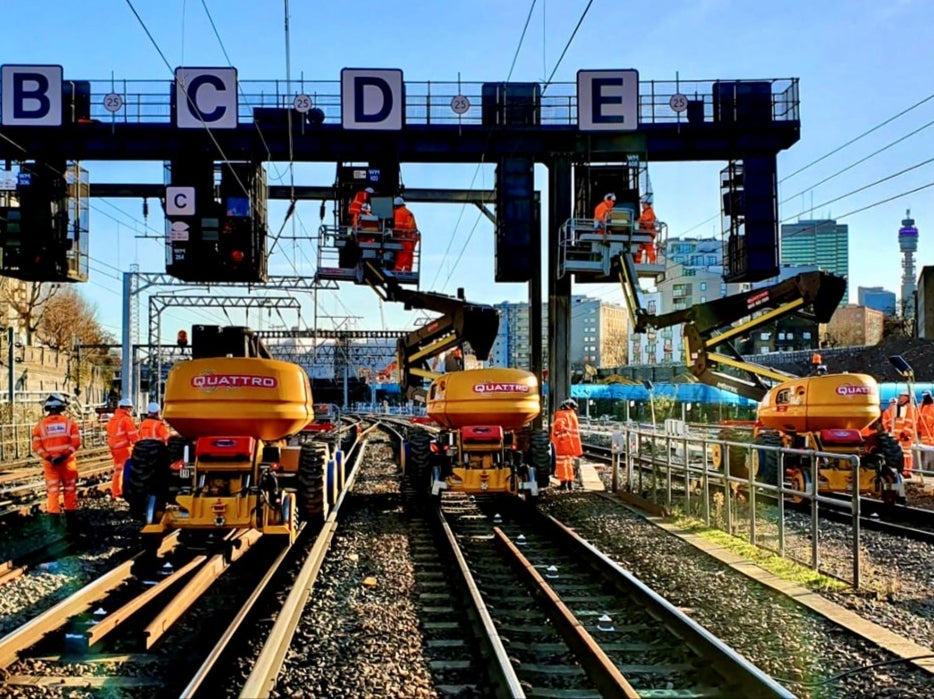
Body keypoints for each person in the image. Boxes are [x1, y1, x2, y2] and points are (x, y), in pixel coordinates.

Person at [31, 393, 82, 530]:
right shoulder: (70, 424)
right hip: (67, 464)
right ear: (62, 407)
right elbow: (76, 443)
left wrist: (49, 458)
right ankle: (71, 522)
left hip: (51, 465)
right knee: (69, 491)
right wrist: (63, 456)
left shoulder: (40, 426)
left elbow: (36, 447)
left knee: (52, 492)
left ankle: (54, 525)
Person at [106, 398, 140, 498]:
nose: (130, 410)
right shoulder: (126, 419)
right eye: (130, 408)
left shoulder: (113, 419)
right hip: (124, 448)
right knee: (128, 471)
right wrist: (140, 445)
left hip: (114, 448)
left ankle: (116, 492)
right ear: (126, 408)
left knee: (118, 471)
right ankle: (125, 491)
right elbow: (133, 436)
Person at [551, 398, 583, 490]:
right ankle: (570, 482)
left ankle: (563, 483)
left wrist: (557, 435)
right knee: (569, 464)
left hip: (562, 444)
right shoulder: (573, 415)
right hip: (571, 445)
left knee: (561, 464)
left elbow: (559, 426)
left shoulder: (562, 414)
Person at [392, 196, 420, 272]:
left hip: (405, 237)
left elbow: (398, 226)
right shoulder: (408, 212)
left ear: (396, 205)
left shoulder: (398, 212)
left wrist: (392, 233)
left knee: (403, 255)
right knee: (409, 255)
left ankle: (397, 271)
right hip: (412, 238)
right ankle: (408, 271)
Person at [634, 197, 657, 263]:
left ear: (646, 204)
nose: (642, 205)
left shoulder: (649, 212)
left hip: (647, 233)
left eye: (643, 204)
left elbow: (643, 220)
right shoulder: (647, 212)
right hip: (644, 233)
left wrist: (636, 222)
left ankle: (652, 263)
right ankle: (637, 263)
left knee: (649, 249)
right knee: (639, 249)